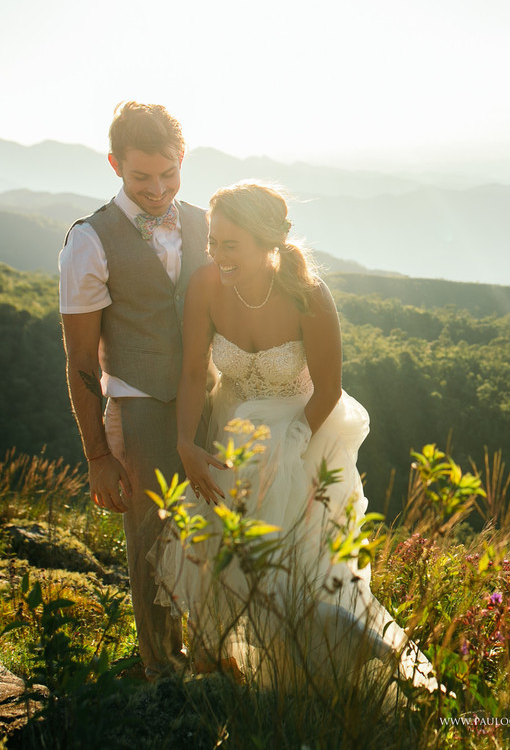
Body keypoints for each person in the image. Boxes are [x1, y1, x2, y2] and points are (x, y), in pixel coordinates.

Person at [156, 181, 437, 692]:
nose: (217, 254)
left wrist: (293, 448)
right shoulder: (204, 286)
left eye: (230, 244)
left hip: (306, 430)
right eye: (212, 242)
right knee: (224, 551)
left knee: (297, 562)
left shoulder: (308, 294)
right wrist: (185, 442)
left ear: (268, 243)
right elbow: (195, 372)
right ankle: (228, 667)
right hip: (233, 430)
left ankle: (331, 664)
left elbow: (329, 388)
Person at [59, 102, 207, 679]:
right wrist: (98, 455)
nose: (157, 189)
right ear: (116, 165)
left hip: (208, 397)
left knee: (215, 528)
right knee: (153, 537)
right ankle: (164, 670)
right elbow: (78, 362)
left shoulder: (204, 221)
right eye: (141, 176)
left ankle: (214, 648)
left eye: (168, 174)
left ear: (182, 159)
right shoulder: (88, 242)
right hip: (140, 402)